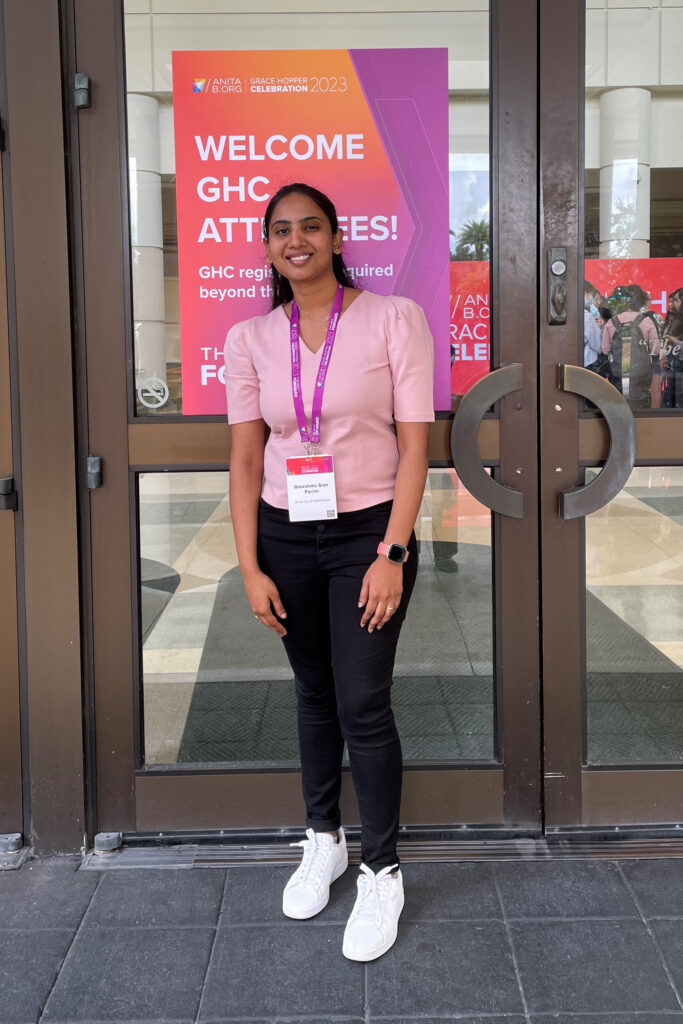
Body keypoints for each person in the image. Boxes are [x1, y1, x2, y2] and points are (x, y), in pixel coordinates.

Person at [224, 182, 434, 961]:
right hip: (286, 534)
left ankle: (382, 868)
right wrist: (249, 566)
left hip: (365, 536)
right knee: (313, 693)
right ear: (269, 245)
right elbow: (246, 460)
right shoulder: (250, 338)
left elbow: (415, 445)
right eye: (281, 230)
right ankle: (325, 839)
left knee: (363, 701)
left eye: (310, 226)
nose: (296, 240)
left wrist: (392, 551)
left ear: (336, 236)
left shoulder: (390, 319)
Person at [601, 283, 660, 408]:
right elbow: (656, 350)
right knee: (640, 406)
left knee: (618, 404)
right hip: (640, 375)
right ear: (641, 302)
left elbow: (605, 350)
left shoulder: (612, 322)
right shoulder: (646, 321)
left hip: (617, 374)